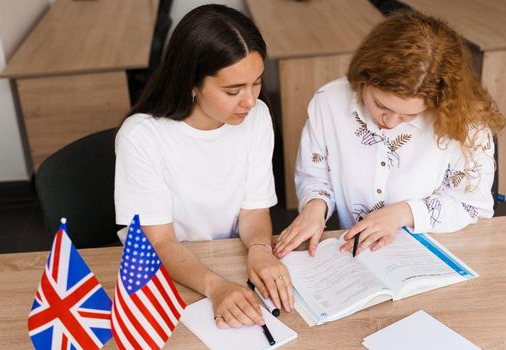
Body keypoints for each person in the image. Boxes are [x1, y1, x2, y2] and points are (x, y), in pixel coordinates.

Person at [114, 5, 293, 329]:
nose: (250, 101)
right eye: (232, 90)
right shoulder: (142, 136)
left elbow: (253, 210)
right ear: (191, 84)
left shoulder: (257, 117)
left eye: (256, 82)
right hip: (173, 274)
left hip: (229, 257)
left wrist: (260, 248)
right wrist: (216, 286)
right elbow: (160, 242)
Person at [273, 11, 505, 259]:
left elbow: (473, 204)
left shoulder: (466, 121)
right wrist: (314, 208)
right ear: (363, 77)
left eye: (408, 116)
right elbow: (315, 175)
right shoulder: (329, 102)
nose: (391, 122)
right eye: (381, 105)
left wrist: (404, 213)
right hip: (359, 255)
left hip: (435, 253)